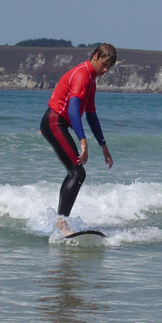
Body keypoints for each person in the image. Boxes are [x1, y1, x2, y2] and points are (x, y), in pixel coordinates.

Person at [40, 43, 117, 236]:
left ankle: (61, 221)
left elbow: (91, 114)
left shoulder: (91, 80)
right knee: (77, 173)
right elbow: (74, 110)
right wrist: (83, 140)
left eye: (109, 67)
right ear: (95, 56)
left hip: (59, 123)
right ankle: (61, 222)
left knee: (75, 173)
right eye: (104, 64)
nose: (106, 69)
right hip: (54, 121)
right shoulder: (82, 74)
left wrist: (103, 145)